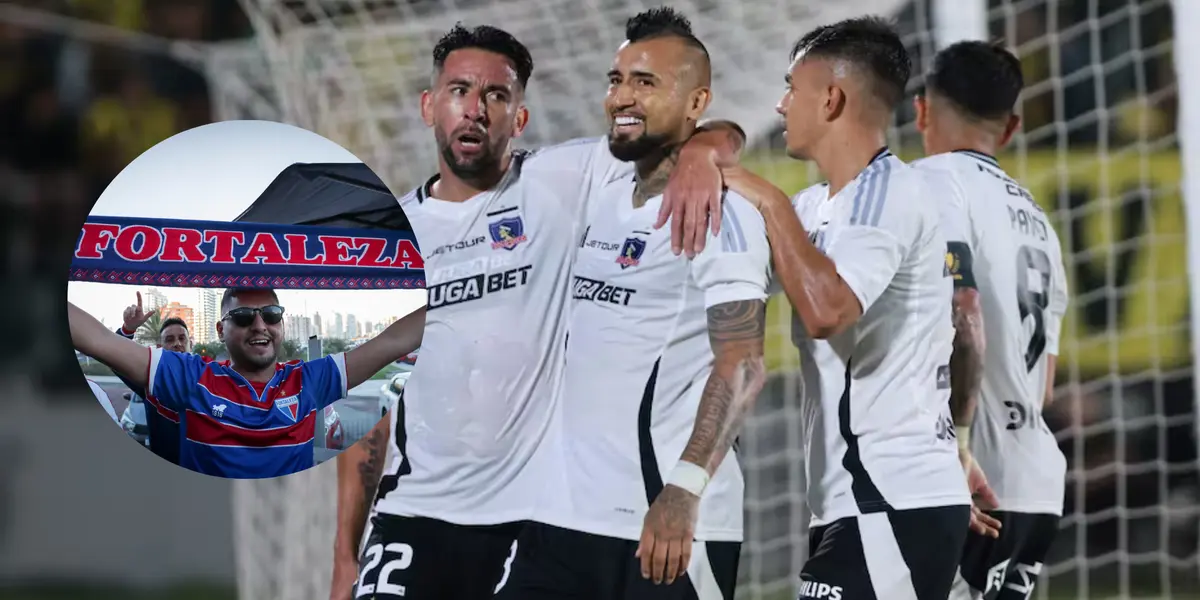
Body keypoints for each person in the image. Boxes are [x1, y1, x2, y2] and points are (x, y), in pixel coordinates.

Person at [331, 23, 740, 600]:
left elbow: (673, 128)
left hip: (534, 520)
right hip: (415, 513)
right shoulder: (387, 243)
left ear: (518, 118)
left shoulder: (562, 180)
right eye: (458, 91)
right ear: (429, 106)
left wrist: (704, 149)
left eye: (496, 95)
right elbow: (364, 409)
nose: (474, 110)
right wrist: (345, 554)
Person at [493, 9, 767, 599]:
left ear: (696, 102)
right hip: (560, 521)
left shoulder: (724, 212)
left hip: (666, 527)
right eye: (616, 79)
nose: (622, 96)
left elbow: (743, 362)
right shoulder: (599, 181)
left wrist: (683, 490)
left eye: (646, 83)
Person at [720, 16, 972, 599]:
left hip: (889, 498)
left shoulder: (886, 193)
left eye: (791, 87)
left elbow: (828, 311)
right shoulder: (819, 207)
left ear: (831, 98)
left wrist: (766, 196)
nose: (780, 105)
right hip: (860, 503)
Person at [911, 40, 1069, 600]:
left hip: (969, 479)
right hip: (1037, 483)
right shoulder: (1040, 223)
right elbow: (1042, 385)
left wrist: (955, 436)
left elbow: (963, 304)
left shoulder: (934, 180)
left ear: (922, 109)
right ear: (1011, 127)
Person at [67, 287, 423, 478]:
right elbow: (99, 341)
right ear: (221, 330)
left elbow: (392, 342)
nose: (259, 325)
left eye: (271, 315)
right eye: (242, 317)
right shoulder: (192, 377)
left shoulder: (310, 380)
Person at [114, 291, 190, 464]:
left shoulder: (207, 376)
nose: (177, 343)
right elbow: (116, 359)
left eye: (181, 338)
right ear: (159, 347)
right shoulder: (149, 381)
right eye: (169, 339)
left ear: (189, 342)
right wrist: (128, 329)